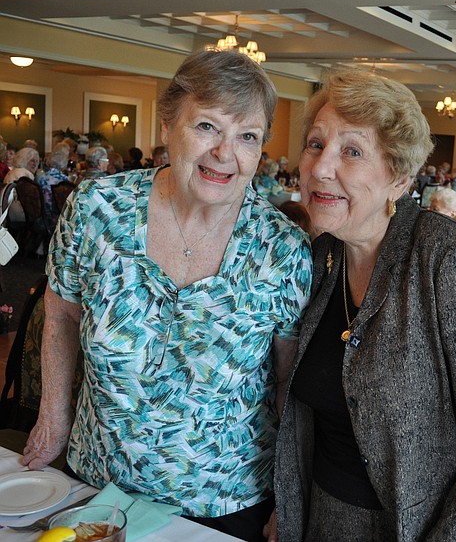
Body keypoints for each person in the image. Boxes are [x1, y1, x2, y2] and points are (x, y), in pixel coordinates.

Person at [22, 49, 313, 542]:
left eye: (247, 137)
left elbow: (289, 386)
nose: (225, 154)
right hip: (98, 486)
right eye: (207, 127)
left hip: (224, 503)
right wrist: (53, 418)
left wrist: (292, 492)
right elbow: (60, 319)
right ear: (166, 126)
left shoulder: (283, 250)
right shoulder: (97, 211)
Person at [270, 68, 456, 541]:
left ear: (398, 179)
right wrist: (289, 504)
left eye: (352, 152)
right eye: (316, 144)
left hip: (416, 529)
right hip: (319, 518)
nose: (320, 167)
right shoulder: (319, 258)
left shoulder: (445, 258)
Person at [37, 143, 72, 232]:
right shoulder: (64, 180)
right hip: (55, 219)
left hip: (40, 215)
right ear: (64, 164)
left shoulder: (40, 177)